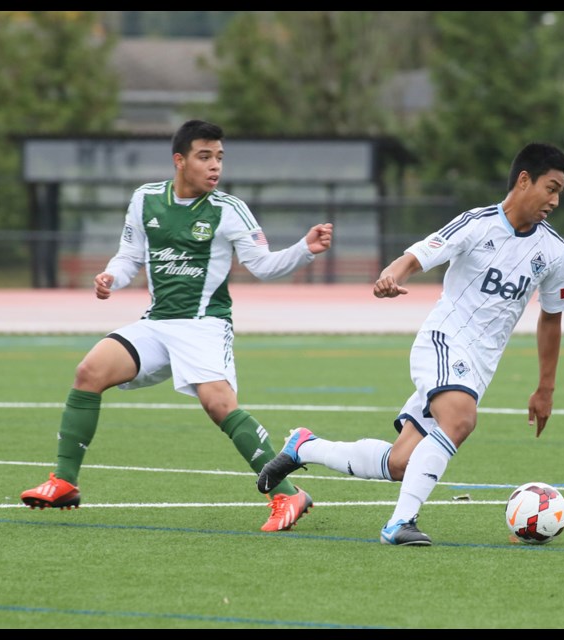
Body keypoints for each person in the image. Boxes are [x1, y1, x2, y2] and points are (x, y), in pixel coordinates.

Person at [20, 119, 333, 532]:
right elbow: (129, 254)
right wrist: (112, 276)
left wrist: (303, 250)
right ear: (179, 160)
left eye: (219, 157)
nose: (214, 166)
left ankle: (287, 493)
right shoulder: (146, 199)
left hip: (204, 325)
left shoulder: (229, 209)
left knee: (220, 406)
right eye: (205, 157)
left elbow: (263, 265)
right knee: (89, 372)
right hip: (156, 324)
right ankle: (64, 482)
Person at [257, 142, 564, 545]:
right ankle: (399, 524)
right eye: (551, 187)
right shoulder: (476, 224)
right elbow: (421, 252)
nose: (556, 199)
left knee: (401, 462)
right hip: (443, 342)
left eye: (561, 191)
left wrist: (546, 387)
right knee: (460, 420)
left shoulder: (553, 250)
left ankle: (306, 447)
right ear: (524, 180)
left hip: (479, 366)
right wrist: (393, 273)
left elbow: (551, 316)